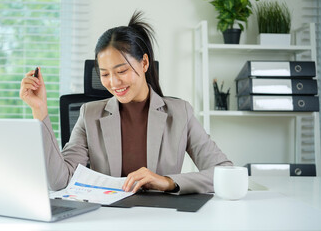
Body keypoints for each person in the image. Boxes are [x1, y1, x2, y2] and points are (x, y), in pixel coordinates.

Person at [20, 11, 233, 195]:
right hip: (108, 219)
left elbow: (225, 172)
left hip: (162, 218)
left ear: (145, 63)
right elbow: (59, 181)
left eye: (121, 71)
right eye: (104, 74)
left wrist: (168, 182)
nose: (113, 83)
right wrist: (40, 111)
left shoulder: (180, 113)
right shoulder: (90, 114)